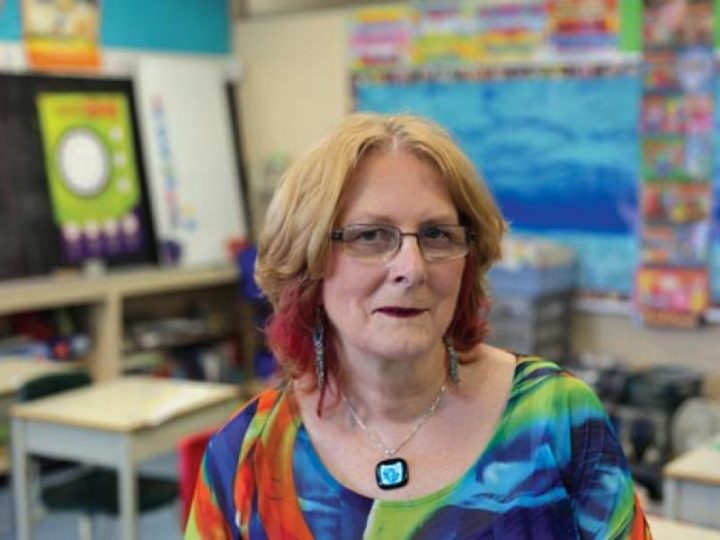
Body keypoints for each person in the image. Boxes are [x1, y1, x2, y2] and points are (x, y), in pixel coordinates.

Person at [185, 113, 652, 539]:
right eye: (371, 236)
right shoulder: (247, 458)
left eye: (437, 234)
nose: (412, 267)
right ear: (308, 260)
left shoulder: (558, 419)